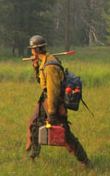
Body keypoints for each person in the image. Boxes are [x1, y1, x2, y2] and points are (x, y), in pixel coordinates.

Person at [25, 35, 89, 165]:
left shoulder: (50, 67)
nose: (31, 51)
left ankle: (85, 162)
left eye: (32, 49)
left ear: (35, 50)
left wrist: (53, 114)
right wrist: (35, 65)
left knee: (64, 135)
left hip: (54, 102)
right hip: (46, 100)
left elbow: (53, 91)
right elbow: (40, 80)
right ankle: (32, 156)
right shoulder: (45, 61)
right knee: (33, 125)